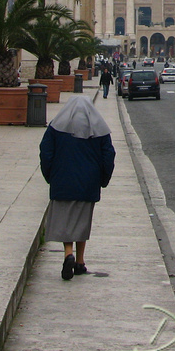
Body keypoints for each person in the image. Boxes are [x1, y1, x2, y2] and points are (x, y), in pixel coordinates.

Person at [38, 96, 116, 281]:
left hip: (62, 181)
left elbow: (46, 152)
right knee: (82, 220)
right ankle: (80, 261)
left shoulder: (55, 129)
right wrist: (103, 180)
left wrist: (50, 176)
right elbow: (109, 156)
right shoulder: (100, 131)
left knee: (66, 220)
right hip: (88, 182)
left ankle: (68, 253)